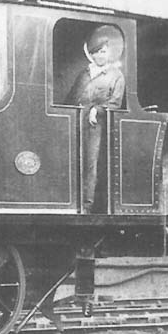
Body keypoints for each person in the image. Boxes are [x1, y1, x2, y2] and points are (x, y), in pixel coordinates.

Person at [65, 28, 126, 213]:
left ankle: (87, 205)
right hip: (76, 122)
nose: (101, 55)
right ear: (91, 54)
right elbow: (71, 98)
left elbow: (115, 103)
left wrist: (96, 110)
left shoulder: (116, 76)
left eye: (104, 51)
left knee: (90, 164)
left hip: (96, 126)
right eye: (97, 52)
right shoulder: (84, 74)